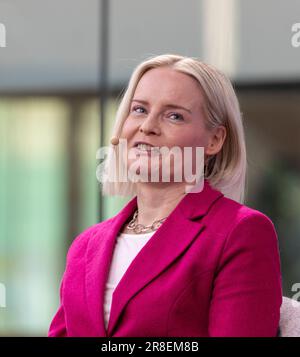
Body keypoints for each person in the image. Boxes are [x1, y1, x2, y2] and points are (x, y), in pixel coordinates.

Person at [48, 54, 282, 337]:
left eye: (174, 115)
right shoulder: (85, 247)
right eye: (139, 110)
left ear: (214, 140)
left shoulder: (240, 231)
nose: (147, 126)